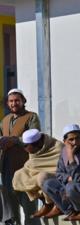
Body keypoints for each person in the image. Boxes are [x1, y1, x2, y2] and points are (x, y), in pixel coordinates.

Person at [0, 88, 41, 225]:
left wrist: (15, 140)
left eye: (17, 100)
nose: (14, 103)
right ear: (7, 103)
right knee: (12, 213)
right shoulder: (5, 120)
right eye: (11, 101)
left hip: (26, 170)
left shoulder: (31, 117)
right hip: (7, 171)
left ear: (23, 101)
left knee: (30, 211)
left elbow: (35, 138)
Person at [13, 129, 62, 218]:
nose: (28, 152)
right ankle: (45, 202)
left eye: (30, 150)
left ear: (37, 144)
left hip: (57, 177)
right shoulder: (34, 150)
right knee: (19, 175)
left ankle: (53, 203)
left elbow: (62, 168)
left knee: (42, 177)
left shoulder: (57, 147)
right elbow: (33, 164)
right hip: (40, 174)